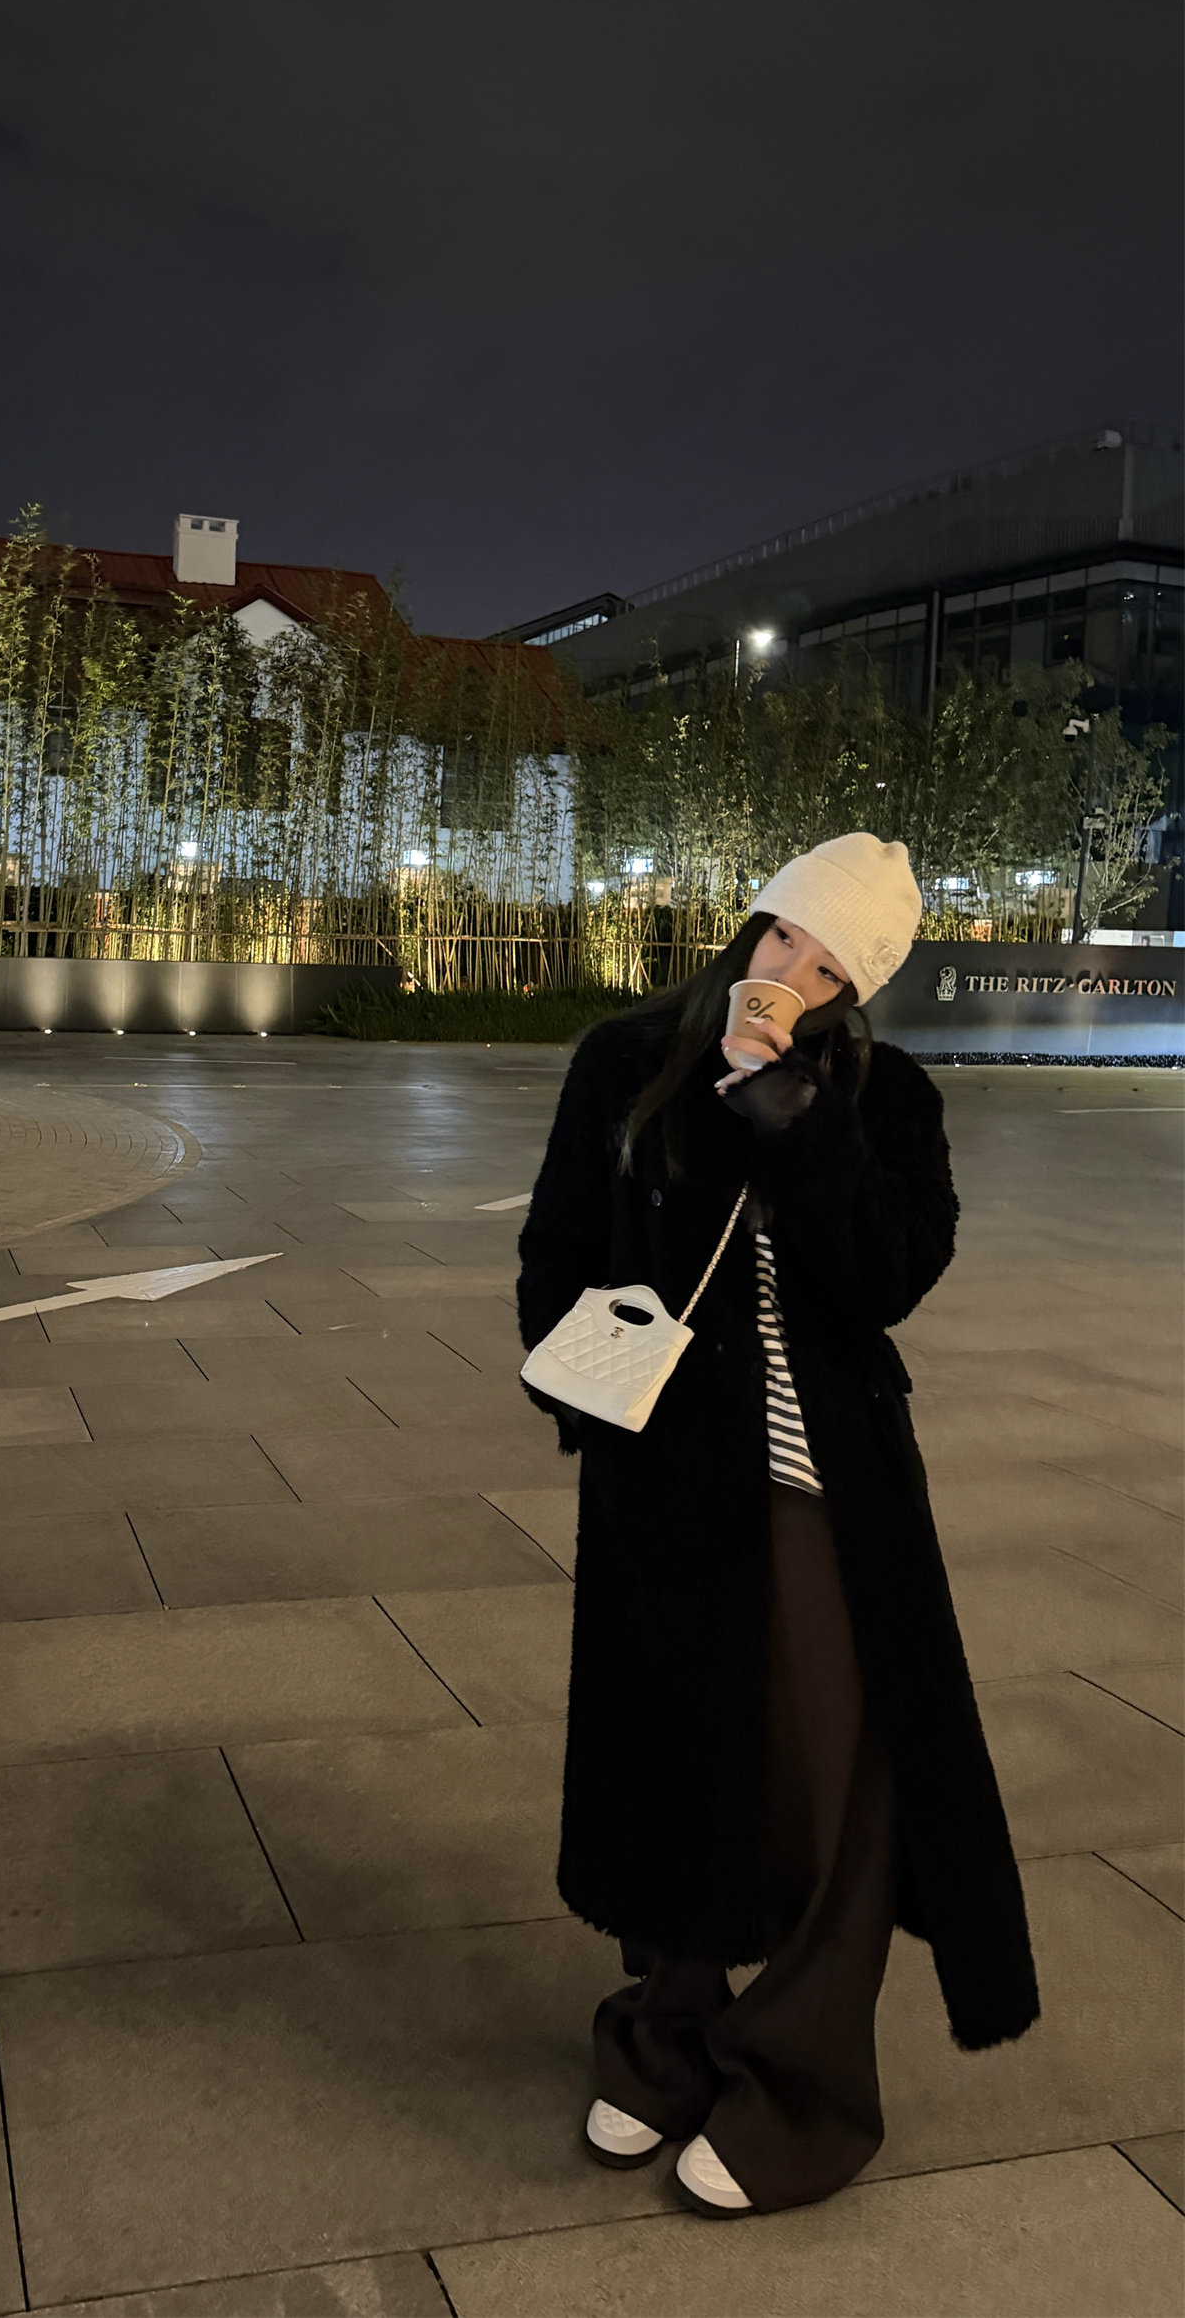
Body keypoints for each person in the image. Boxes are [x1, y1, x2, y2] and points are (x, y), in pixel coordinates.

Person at [517, 833, 1038, 2219]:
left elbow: (891, 1273)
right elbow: (560, 1246)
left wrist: (790, 1114)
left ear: (856, 988)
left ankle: (802, 2082)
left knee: (835, 1769)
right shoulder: (625, 1063)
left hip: (829, 1486)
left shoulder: (882, 1095)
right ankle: (663, 2036)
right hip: (666, 1476)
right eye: (784, 937)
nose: (792, 972)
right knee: (671, 1748)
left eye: (828, 965)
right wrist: (583, 1388)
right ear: (752, 926)